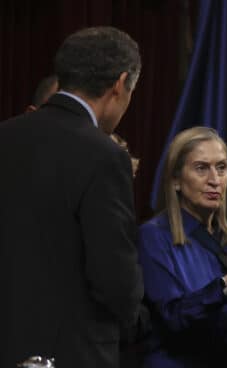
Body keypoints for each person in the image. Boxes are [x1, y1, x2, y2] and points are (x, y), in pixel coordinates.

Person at [0, 26, 144, 368]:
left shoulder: (4, 137)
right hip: (71, 353)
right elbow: (115, 279)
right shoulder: (104, 155)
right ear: (120, 84)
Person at [139, 127, 227, 368]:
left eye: (221, 168)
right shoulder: (154, 237)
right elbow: (174, 318)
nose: (214, 180)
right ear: (176, 180)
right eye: (201, 168)